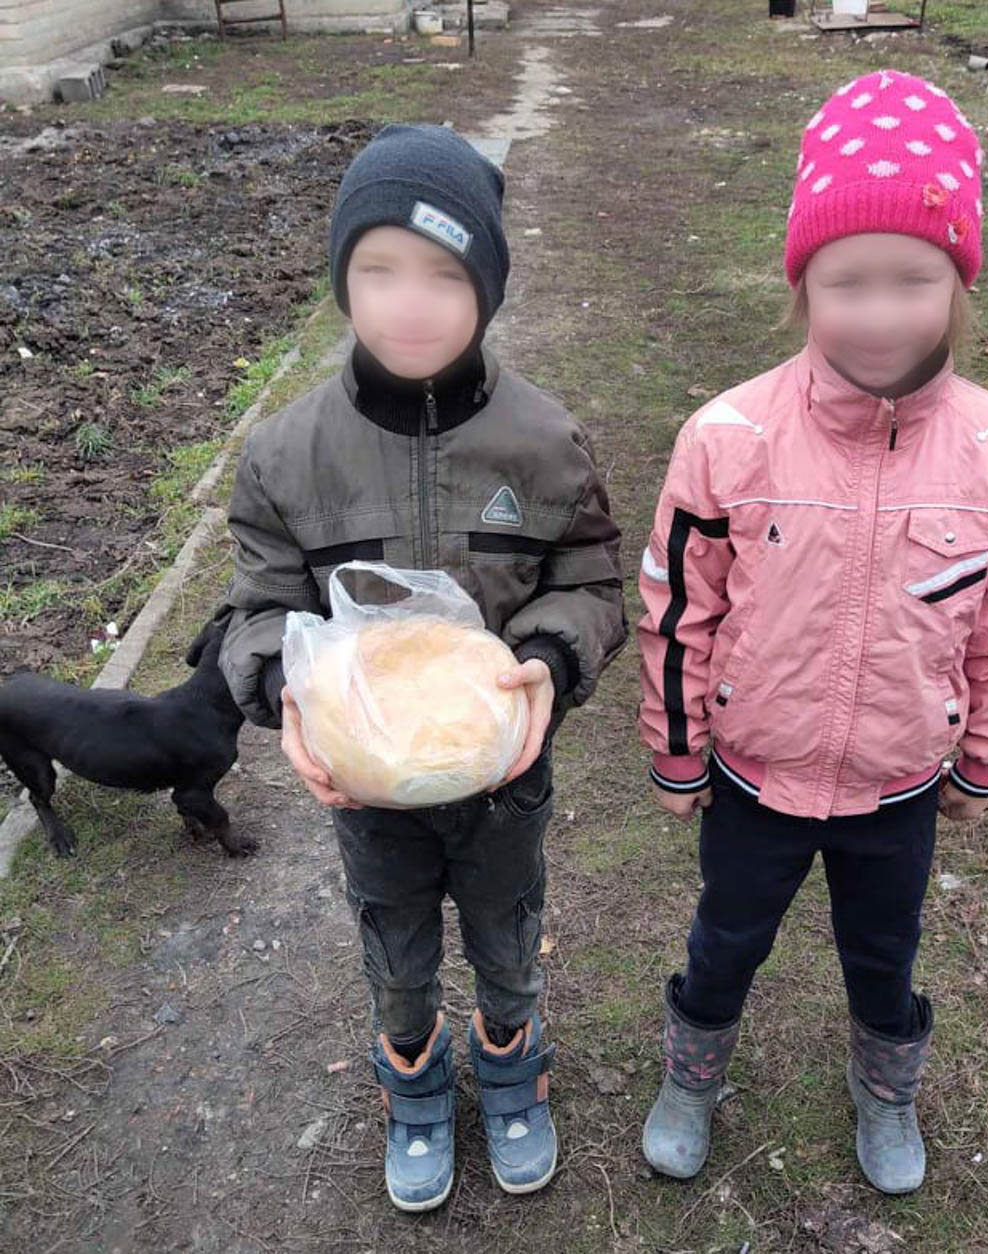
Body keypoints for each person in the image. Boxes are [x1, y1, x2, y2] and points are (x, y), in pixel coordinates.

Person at [636, 69, 988, 1194]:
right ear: (802, 284)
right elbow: (678, 608)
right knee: (727, 938)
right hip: (755, 775)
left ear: (958, 283)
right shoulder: (728, 437)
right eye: (846, 282)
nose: (880, 313)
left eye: (914, 280)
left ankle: (886, 1087)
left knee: (884, 951)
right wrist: (678, 750)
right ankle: (693, 1071)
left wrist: (986, 754)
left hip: (899, 781)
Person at [217, 124, 627, 1212]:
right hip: (368, 789)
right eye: (379, 269)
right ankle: (413, 1078)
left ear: (487, 287)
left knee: (509, 930)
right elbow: (261, 610)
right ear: (341, 281)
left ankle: (511, 1060)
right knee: (395, 946)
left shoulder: (543, 442)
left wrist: (546, 660)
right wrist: (287, 693)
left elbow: (590, 583)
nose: (411, 302)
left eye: (446, 274)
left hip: (503, 775)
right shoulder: (287, 455)